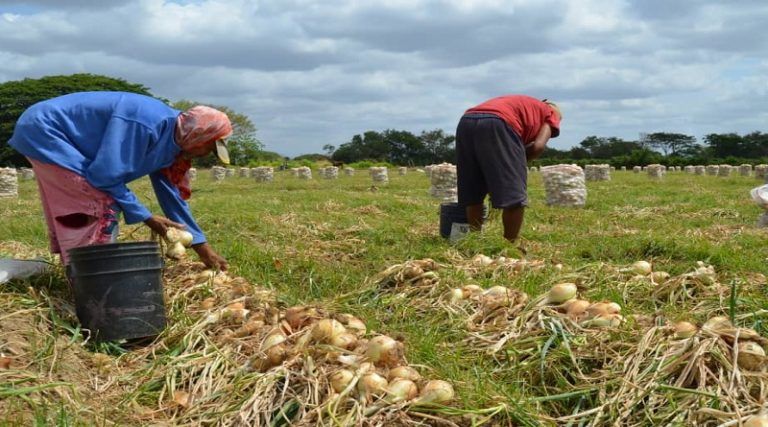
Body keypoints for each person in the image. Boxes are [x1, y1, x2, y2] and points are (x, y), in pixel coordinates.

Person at [8, 91, 232, 271]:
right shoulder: (147, 125)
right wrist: (146, 217)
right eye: (208, 147)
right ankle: (90, 274)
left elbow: (172, 197)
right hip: (45, 129)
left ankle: (84, 270)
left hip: (49, 130)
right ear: (198, 135)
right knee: (98, 199)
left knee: (99, 197)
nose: (205, 155)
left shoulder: (173, 142)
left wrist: (203, 249)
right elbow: (105, 176)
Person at [455, 94, 562, 243]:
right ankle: (510, 244)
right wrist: (513, 166)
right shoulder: (551, 113)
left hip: (466, 121)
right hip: (499, 122)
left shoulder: (526, 104)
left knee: (473, 189)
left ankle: (474, 240)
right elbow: (538, 146)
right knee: (514, 194)